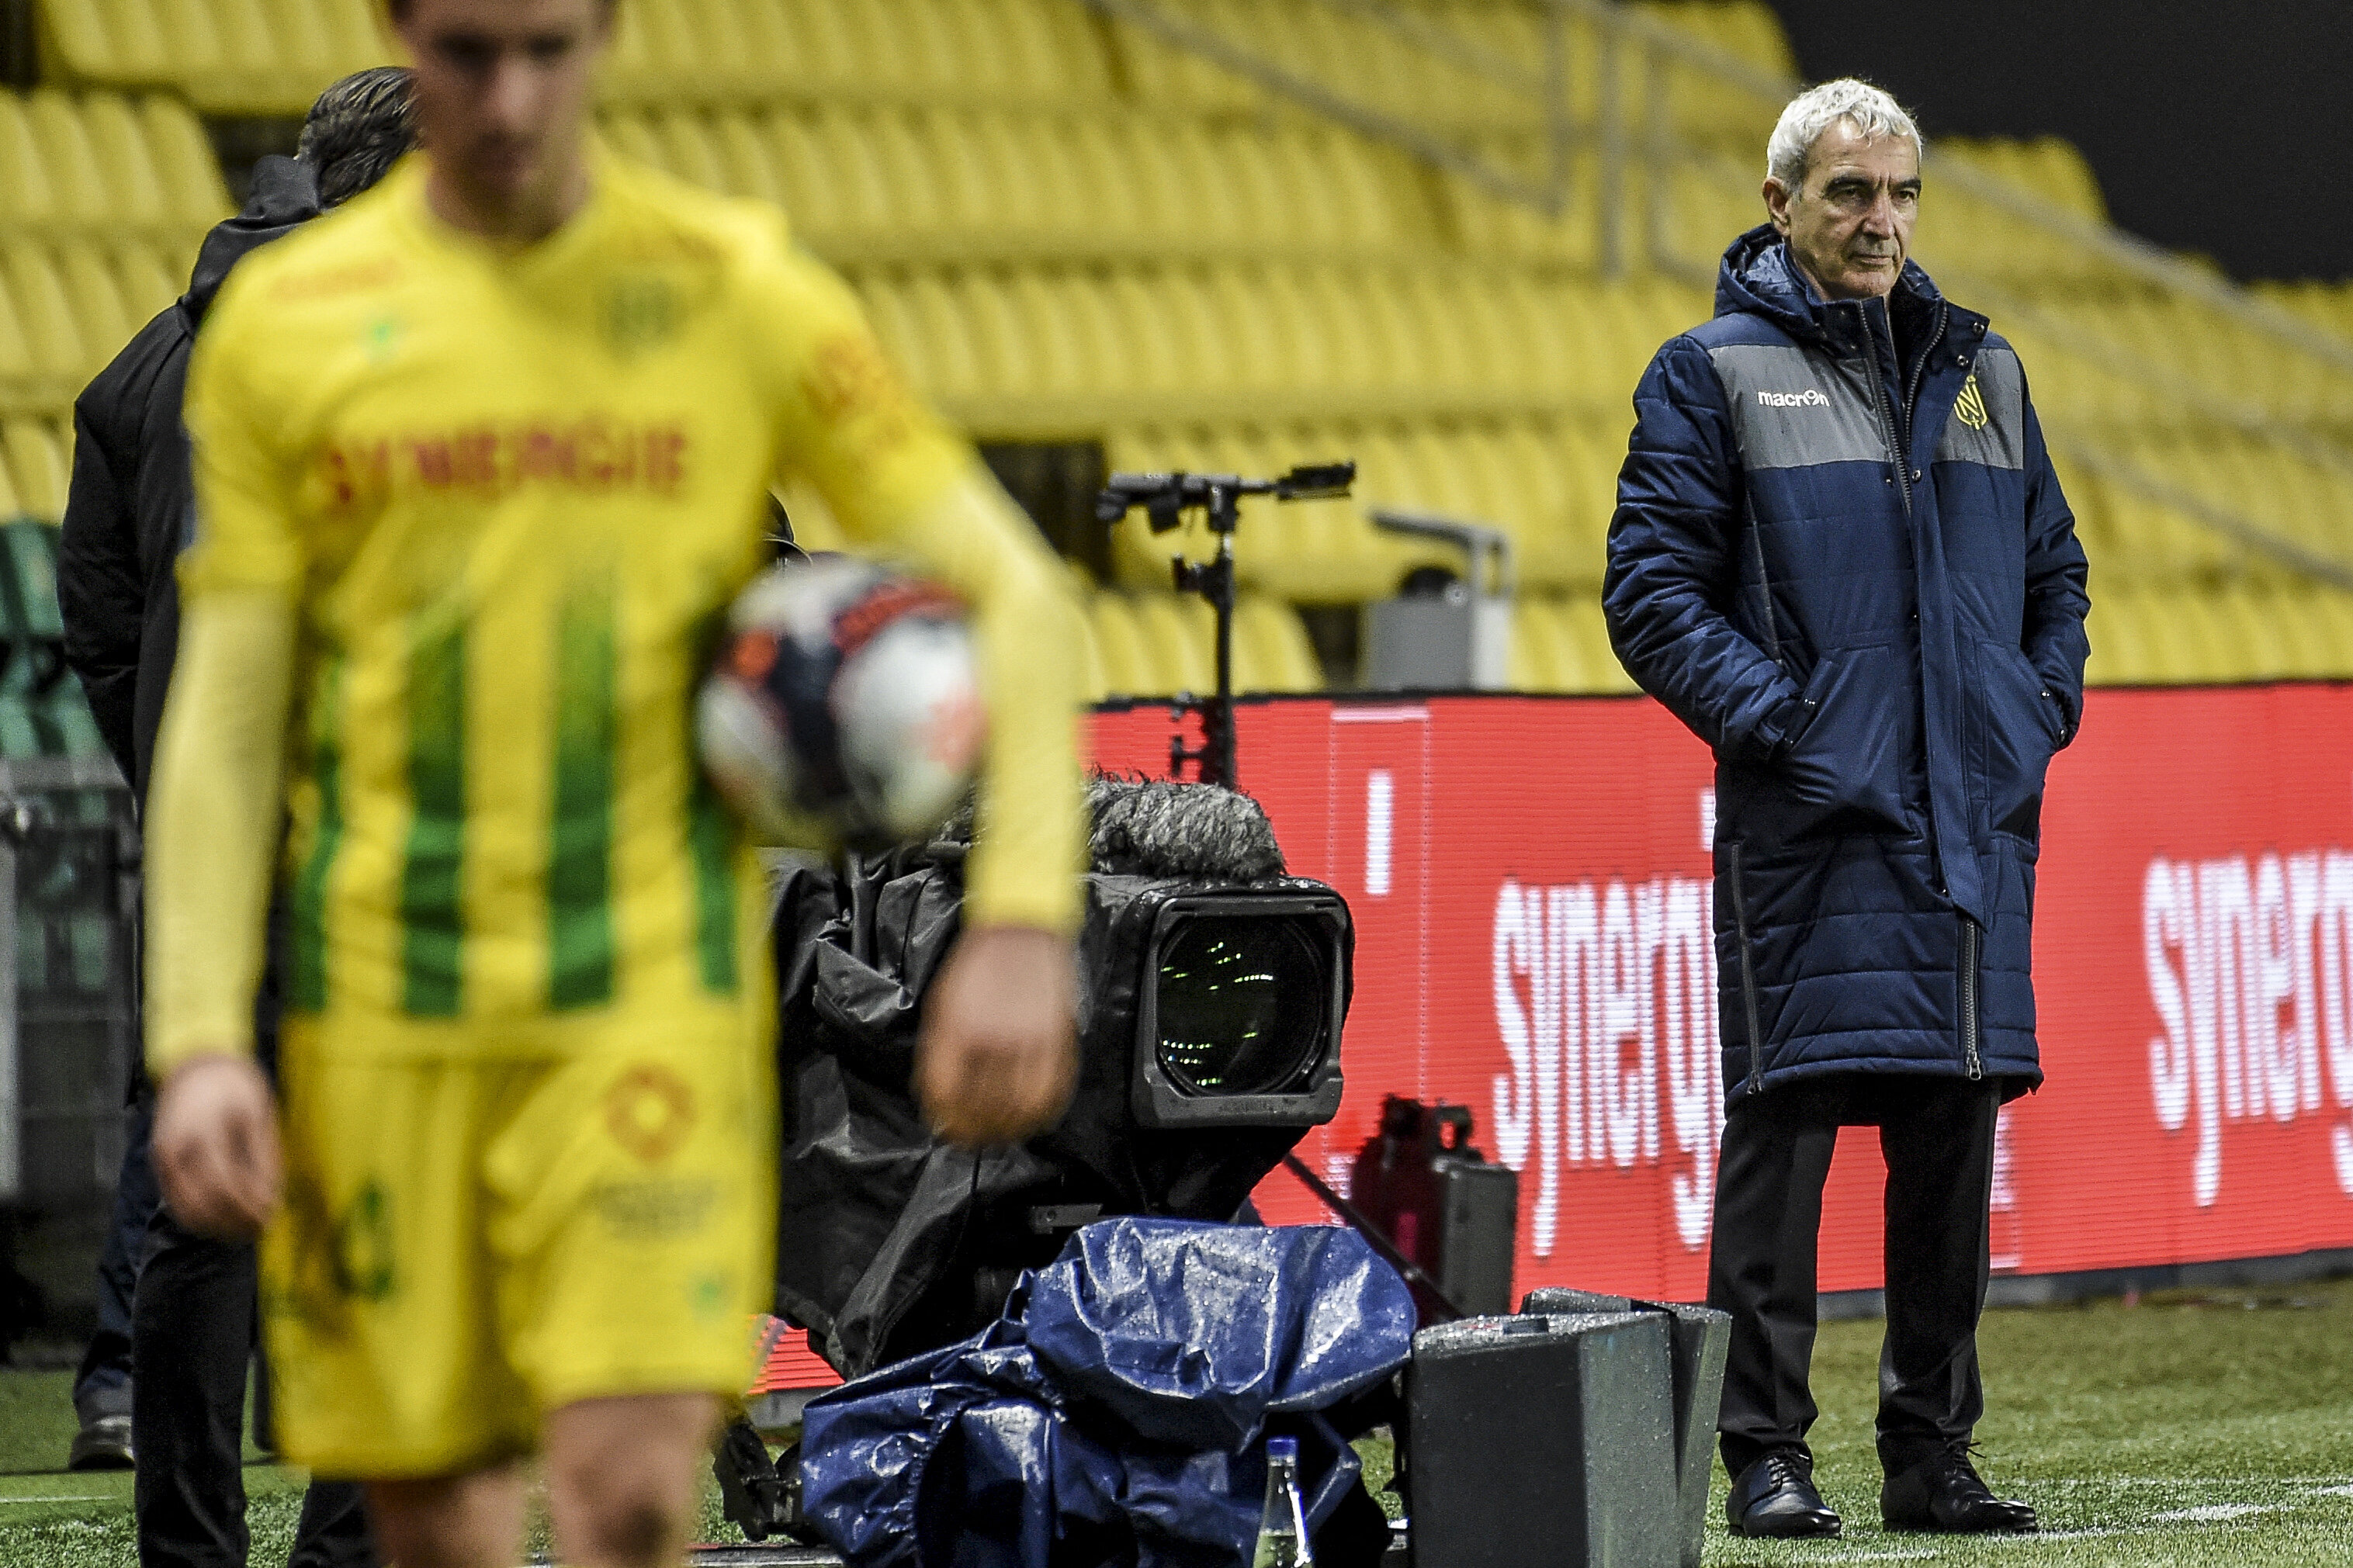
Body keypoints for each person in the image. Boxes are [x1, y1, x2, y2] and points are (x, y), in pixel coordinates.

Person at [141, 1, 1087, 1566]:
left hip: (643, 1005)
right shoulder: (290, 330)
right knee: (432, 1522)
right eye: (464, 50)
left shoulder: (729, 291)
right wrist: (193, 1039)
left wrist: (1023, 922)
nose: (509, 96)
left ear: (608, 29)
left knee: (629, 1492)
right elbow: (228, 717)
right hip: (387, 1012)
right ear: (397, 29)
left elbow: (1019, 599)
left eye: (547, 47)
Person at [1604, 78, 2087, 1539]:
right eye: (1848, 193)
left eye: (1901, 194)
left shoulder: (1986, 370)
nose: (1880, 220)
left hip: (1968, 821)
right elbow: (1649, 596)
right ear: (1782, 206)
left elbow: (2056, 579)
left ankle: (1931, 1454)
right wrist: (1795, 729)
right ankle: (1765, 1451)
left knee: (1953, 1137)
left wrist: (2025, 715)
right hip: (1812, 824)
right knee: (1787, 1131)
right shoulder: (1707, 371)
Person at [59, 67, 419, 1566]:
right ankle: (345, 1544)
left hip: (216, 851)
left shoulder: (144, 369)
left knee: (199, 1213)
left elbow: (99, 622)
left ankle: (188, 1547)